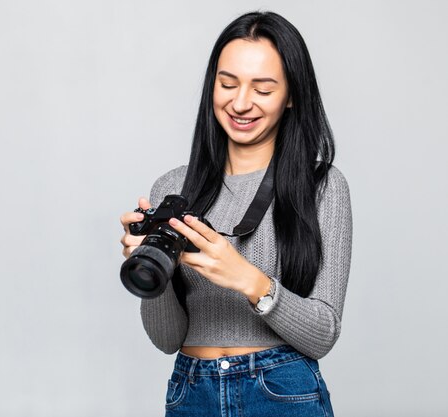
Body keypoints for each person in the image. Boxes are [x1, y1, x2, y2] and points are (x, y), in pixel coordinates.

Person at [119, 10, 352, 417]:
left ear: (292, 95)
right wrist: (150, 267)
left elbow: (323, 335)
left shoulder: (323, 186)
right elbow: (166, 339)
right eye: (227, 84)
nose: (240, 103)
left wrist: (246, 278)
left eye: (262, 89)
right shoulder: (173, 189)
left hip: (281, 391)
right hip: (192, 392)